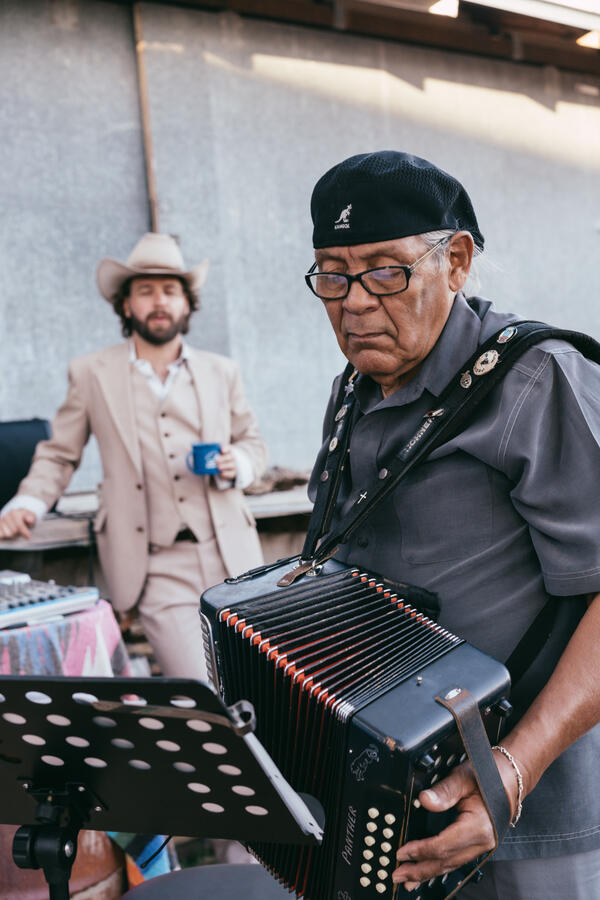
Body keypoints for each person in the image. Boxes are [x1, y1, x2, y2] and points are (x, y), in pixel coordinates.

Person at [305, 151, 600, 899]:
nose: (354, 303)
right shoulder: (351, 393)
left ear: (457, 261)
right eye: (332, 276)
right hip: (397, 802)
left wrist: (512, 770)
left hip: (537, 809)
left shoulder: (536, 378)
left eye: (385, 271)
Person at [0, 232, 268, 682]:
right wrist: (27, 503)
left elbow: (254, 444)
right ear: (126, 305)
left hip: (232, 556)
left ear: (187, 304)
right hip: (155, 564)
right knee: (201, 687)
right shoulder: (91, 373)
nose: (159, 301)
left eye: (170, 290)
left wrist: (237, 463)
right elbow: (59, 455)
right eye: (145, 291)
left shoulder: (222, 371)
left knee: (258, 684)